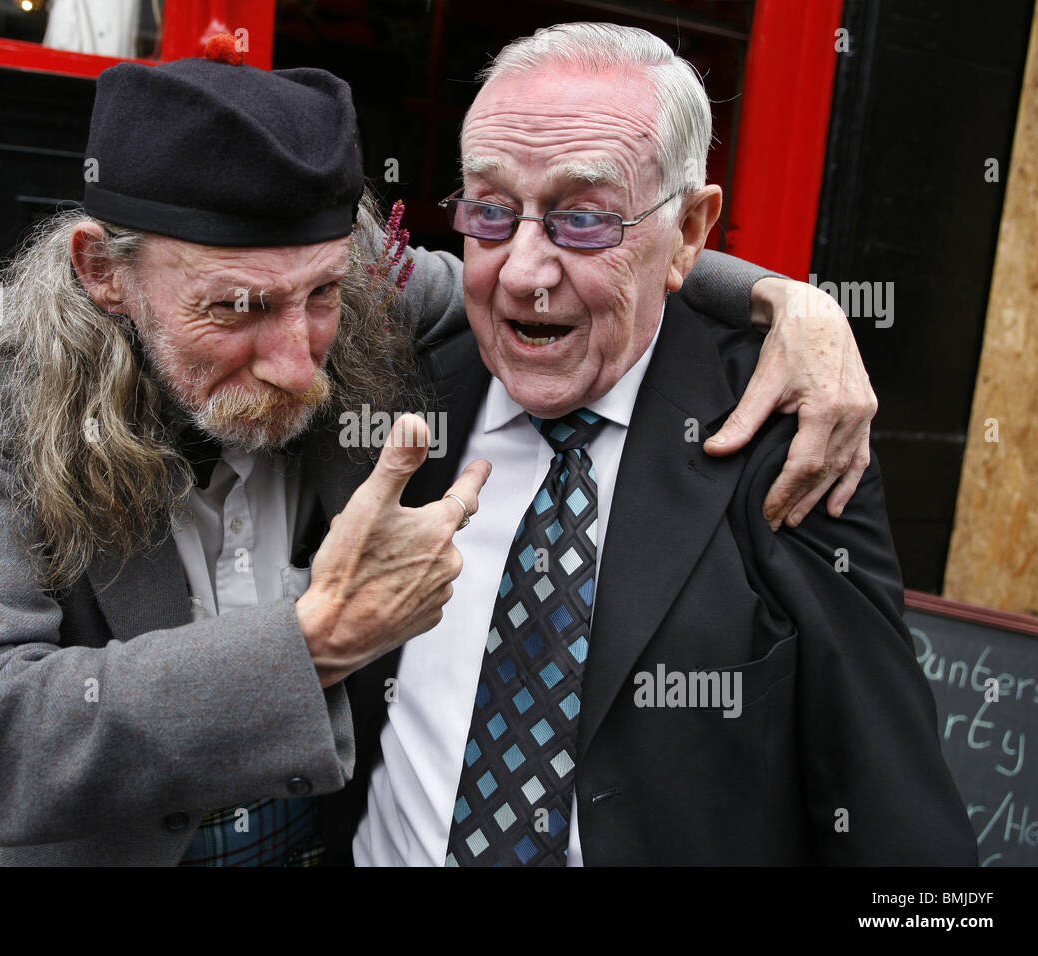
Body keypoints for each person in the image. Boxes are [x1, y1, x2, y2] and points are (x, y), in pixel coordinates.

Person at [0, 39, 879, 866]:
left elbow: (564, 262)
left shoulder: (362, 302)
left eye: (319, 296)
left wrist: (791, 301)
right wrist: (307, 644)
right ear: (105, 271)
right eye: (235, 308)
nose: (295, 359)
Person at [346, 22, 977, 866]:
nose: (526, 271)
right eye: (492, 212)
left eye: (585, 219)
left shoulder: (788, 435)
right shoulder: (394, 389)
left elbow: (899, 821)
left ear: (688, 233)